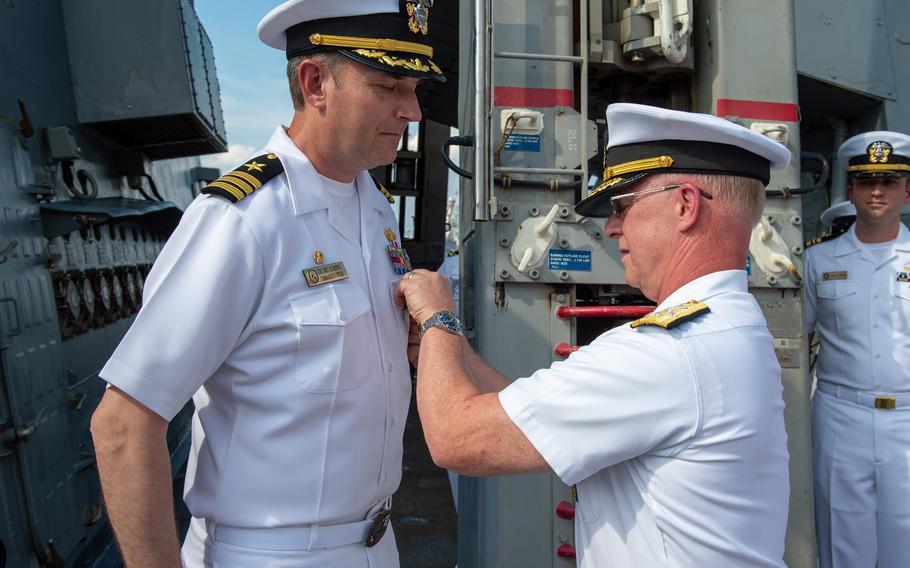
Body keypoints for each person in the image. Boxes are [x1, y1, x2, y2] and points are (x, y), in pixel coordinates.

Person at [89, 1, 444, 566]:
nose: (413, 111)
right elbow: (124, 423)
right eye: (388, 85)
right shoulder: (242, 219)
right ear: (314, 83)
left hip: (377, 542)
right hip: (273, 552)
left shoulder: (373, 207)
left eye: (415, 88)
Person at [397, 103, 792, 567]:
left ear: (685, 205)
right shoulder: (721, 327)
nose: (611, 227)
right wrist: (445, 354)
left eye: (624, 206)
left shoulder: (669, 352)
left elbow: (457, 439)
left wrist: (437, 317)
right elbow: (526, 415)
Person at [804, 131, 910, 568]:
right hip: (840, 415)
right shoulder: (819, 261)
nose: (877, 191)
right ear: (851, 190)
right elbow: (795, 338)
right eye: (867, 182)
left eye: (888, 181)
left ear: (908, 190)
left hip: (906, 417)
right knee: (841, 539)